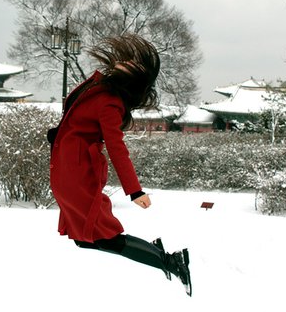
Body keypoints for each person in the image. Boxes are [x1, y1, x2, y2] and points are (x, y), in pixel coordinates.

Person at [48, 34, 191, 295]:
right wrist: (60, 133)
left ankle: (170, 262)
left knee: (103, 236)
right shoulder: (99, 86)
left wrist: (135, 190)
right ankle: (157, 253)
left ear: (133, 79)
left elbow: (117, 148)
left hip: (79, 173)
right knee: (83, 239)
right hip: (66, 166)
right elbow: (77, 118)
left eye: (132, 65)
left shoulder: (110, 102)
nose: (123, 63)